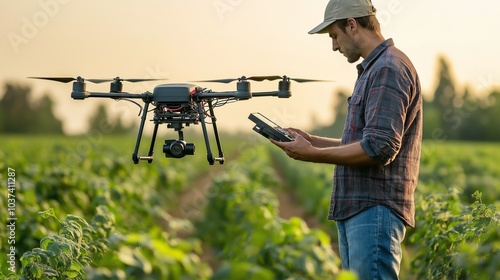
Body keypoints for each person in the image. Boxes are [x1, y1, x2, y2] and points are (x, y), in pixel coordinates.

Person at [270, 0, 422, 279]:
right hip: (359, 209)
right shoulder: (374, 69)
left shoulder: (389, 68)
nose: (334, 47)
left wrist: (312, 154)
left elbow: (379, 148)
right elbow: (365, 141)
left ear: (352, 25)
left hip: (374, 209)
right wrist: (311, 141)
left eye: (334, 36)